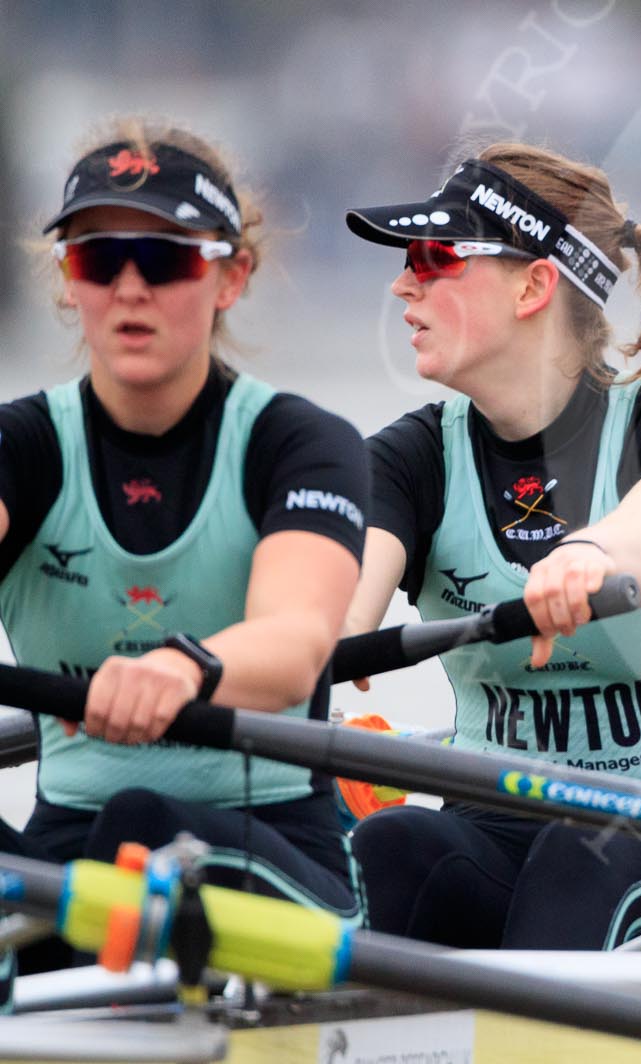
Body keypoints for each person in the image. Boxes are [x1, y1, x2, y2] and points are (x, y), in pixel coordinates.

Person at [341, 144, 641, 950]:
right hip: (496, 833)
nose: (403, 282)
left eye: (435, 257)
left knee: (582, 854)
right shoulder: (410, 459)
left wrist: (592, 557)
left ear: (534, 285)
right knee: (388, 851)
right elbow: (335, 599)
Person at [0, 122, 366, 923]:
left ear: (230, 276)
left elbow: (298, 642)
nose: (130, 288)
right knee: (116, 835)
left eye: (164, 258)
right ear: (68, 279)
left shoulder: (300, 444)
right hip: (69, 845)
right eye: (98, 258)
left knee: (140, 824)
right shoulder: (18, 446)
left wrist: (176, 669)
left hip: (270, 845)